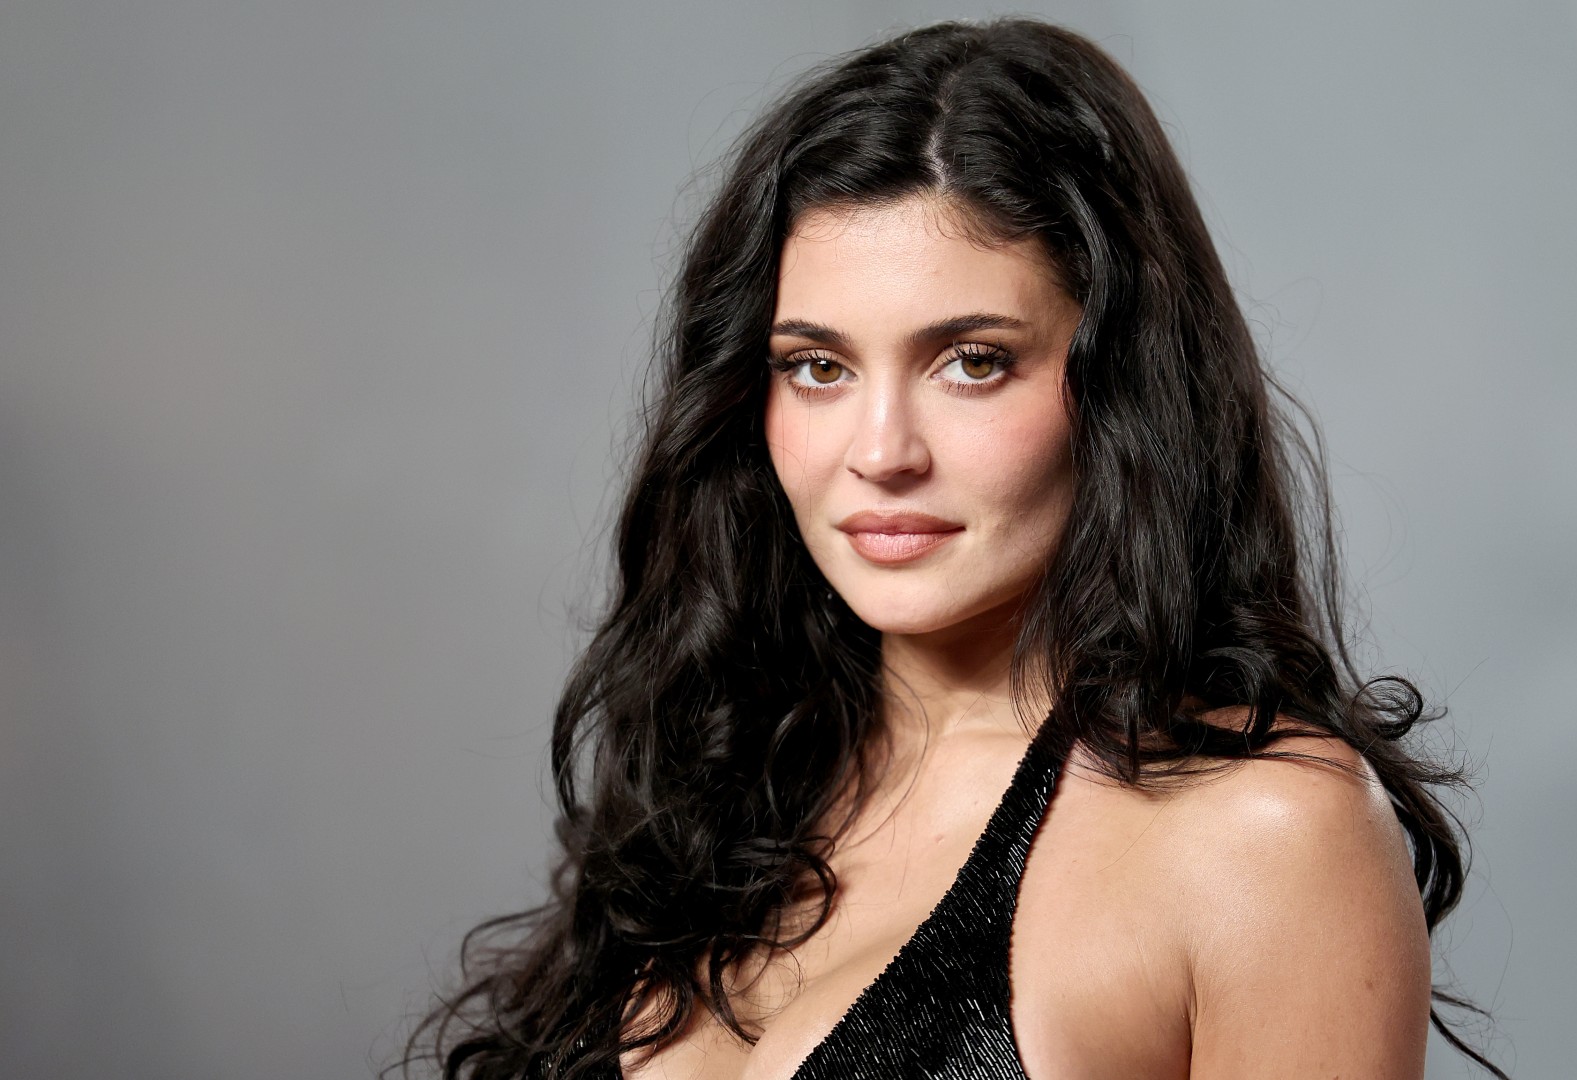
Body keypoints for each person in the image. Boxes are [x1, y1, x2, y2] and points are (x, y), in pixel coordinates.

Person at [407, 17, 1505, 1080]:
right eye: (817, 368)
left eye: (972, 361)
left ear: (1120, 387)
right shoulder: (725, 789)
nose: (880, 452)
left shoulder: (1262, 838)